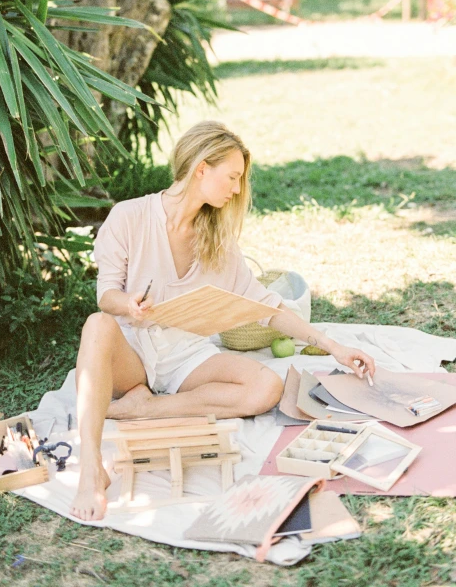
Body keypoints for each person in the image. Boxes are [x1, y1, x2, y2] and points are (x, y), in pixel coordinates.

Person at [70, 121, 375, 521]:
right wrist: (129, 304)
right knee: (96, 324)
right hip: (132, 353)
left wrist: (334, 346)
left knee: (266, 385)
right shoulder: (128, 217)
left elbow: (268, 306)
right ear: (201, 168)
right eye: (231, 177)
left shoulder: (217, 240)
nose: (235, 189)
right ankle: (91, 467)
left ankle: (146, 409)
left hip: (185, 356)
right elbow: (106, 295)